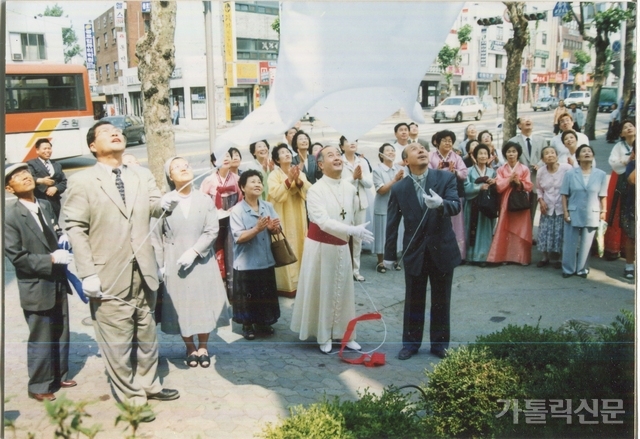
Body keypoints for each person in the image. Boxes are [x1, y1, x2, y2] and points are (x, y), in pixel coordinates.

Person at [64, 120, 180, 407]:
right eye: (105, 132)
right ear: (93, 146)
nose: (115, 133)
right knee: (116, 342)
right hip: (107, 275)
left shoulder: (141, 174)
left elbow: (154, 206)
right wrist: (87, 273)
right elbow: (76, 228)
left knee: (147, 333)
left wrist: (166, 204)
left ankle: (149, 384)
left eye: (117, 131)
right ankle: (131, 398)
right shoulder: (82, 181)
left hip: (145, 270)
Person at [290, 145, 373, 353]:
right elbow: (323, 222)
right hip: (321, 248)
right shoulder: (315, 190)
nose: (336, 157)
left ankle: (346, 334)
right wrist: (352, 230)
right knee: (325, 290)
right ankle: (324, 334)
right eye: (330, 155)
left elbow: (349, 215)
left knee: (344, 291)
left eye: (338, 154)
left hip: (342, 246)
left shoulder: (349, 188)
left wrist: (352, 230)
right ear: (320, 165)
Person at [383, 143, 461, 360]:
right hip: (414, 252)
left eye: (423, 148)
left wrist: (441, 204)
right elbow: (392, 223)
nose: (421, 151)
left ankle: (439, 345)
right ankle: (410, 344)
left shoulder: (445, 178)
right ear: (406, 161)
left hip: (442, 249)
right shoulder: (399, 188)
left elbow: (456, 205)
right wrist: (389, 255)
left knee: (441, 299)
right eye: (415, 149)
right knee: (413, 300)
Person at [5, 163, 75, 402]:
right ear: (9, 189)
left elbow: (53, 231)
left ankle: (59, 375)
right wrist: (51, 259)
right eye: (17, 177)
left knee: (61, 330)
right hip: (36, 283)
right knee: (41, 335)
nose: (25, 177)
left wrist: (63, 237)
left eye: (26, 173)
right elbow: (17, 257)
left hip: (57, 279)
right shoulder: (10, 216)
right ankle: (38, 385)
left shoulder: (44, 205)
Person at [151, 157, 231, 368]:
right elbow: (156, 236)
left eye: (186, 164)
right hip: (175, 260)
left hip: (202, 259)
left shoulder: (204, 200)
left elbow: (212, 230)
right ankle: (189, 347)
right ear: (170, 176)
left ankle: (203, 346)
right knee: (182, 305)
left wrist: (195, 251)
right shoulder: (165, 202)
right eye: (176, 166)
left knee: (203, 303)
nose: (183, 168)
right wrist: (160, 265)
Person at [230, 170, 281, 340]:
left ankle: (263, 322)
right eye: (252, 182)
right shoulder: (237, 210)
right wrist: (257, 229)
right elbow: (239, 237)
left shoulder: (268, 206)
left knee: (265, 293)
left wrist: (274, 228)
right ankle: (247, 325)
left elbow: (277, 229)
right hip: (247, 262)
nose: (257, 184)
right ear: (242, 187)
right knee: (248, 295)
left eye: (259, 181)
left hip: (265, 259)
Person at [267, 144, 311, 297]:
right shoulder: (274, 175)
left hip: (298, 216)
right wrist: (289, 180)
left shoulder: (299, 172)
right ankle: (286, 286)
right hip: (282, 215)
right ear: (276, 160)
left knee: (300, 245)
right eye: (282, 153)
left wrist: (298, 181)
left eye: (288, 152)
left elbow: (309, 191)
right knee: (285, 246)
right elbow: (276, 194)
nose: (286, 154)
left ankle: (301, 284)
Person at [201, 150, 244, 297]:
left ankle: (233, 290)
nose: (225, 159)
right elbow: (202, 202)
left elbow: (242, 199)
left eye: (227, 156)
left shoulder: (238, 179)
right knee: (216, 251)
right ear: (214, 162)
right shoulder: (208, 180)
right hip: (214, 221)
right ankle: (218, 290)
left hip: (233, 220)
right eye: (221, 156)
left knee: (232, 251)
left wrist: (234, 209)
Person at [561, 145, 607, 278]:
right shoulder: (570, 174)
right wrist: (565, 212)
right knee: (570, 242)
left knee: (587, 243)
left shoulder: (601, 174)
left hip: (592, 212)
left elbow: (603, 195)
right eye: (583, 151)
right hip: (573, 211)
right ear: (578, 157)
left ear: (593, 156)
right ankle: (568, 269)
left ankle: (582, 269)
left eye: (589, 151)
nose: (587, 153)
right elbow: (564, 194)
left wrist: (603, 211)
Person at [486, 141, 534, 266]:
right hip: (506, 201)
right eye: (508, 152)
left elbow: (529, 186)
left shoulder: (524, 169)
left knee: (521, 228)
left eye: (514, 151)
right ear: (505, 154)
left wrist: (519, 183)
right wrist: (509, 180)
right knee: (506, 227)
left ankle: (521, 258)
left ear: (518, 153)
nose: (511, 154)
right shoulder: (501, 169)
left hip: (520, 202)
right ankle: (506, 256)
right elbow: (498, 186)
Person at [429, 131, 468, 260]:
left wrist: (454, 171)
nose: (448, 143)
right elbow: (427, 172)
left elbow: (464, 173)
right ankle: (438, 254)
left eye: (450, 141)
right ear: (437, 142)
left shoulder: (456, 157)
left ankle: (458, 254)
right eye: (444, 140)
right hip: (437, 193)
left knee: (457, 223)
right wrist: (437, 171)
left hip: (453, 193)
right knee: (437, 223)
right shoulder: (430, 156)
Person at [340, 136, 374, 281]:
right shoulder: (339, 160)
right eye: (348, 141)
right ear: (342, 146)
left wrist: (360, 178)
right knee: (344, 235)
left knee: (358, 237)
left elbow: (369, 184)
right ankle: (343, 269)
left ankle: (356, 270)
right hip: (345, 204)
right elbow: (339, 183)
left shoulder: (362, 161)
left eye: (355, 141)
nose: (352, 143)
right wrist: (353, 177)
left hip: (361, 203)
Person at [535, 146, 572, 269]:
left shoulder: (566, 168)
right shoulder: (541, 171)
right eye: (546, 153)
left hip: (562, 206)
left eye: (552, 153)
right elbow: (539, 189)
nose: (550, 155)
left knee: (561, 232)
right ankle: (545, 257)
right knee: (545, 232)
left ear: (557, 156)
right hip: (547, 205)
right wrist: (541, 201)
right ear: (542, 159)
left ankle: (560, 259)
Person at [604, 120, 636, 260]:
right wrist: (627, 160)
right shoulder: (619, 146)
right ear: (621, 133)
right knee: (618, 210)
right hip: (620, 179)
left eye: (631, 126)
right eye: (625, 127)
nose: (628, 128)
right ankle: (615, 247)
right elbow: (613, 162)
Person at [463, 144, 497, 265]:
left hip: (487, 205)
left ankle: (484, 257)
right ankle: (471, 256)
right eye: (480, 153)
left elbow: (497, 188)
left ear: (489, 156)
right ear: (475, 156)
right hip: (473, 204)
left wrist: (493, 183)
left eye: (485, 154)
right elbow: (466, 187)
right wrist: (479, 187)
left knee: (485, 230)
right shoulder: (468, 171)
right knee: (471, 228)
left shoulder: (492, 172)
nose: (483, 156)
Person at [372, 143, 403, 272]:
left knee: (396, 233)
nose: (391, 152)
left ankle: (393, 259)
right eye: (388, 151)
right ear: (381, 155)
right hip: (382, 205)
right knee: (382, 234)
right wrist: (395, 180)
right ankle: (380, 261)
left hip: (396, 206)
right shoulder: (377, 170)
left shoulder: (399, 169)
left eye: (393, 150)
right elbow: (381, 190)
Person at [509, 117, 545, 223]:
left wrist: (539, 165)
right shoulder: (513, 141)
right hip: (520, 182)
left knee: (532, 213)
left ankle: (530, 232)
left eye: (529, 119)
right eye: (524, 119)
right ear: (519, 125)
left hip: (537, 180)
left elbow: (545, 156)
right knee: (520, 213)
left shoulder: (541, 140)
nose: (528, 121)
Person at [27, 138, 68, 219]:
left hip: (55, 201)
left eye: (49, 148)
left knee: (55, 223)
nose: (47, 151)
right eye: (45, 148)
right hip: (39, 200)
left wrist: (56, 188)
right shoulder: (31, 164)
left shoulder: (57, 165)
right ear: (37, 151)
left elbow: (63, 181)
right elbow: (28, 178)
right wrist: (41, 181)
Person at [620, 155, 635, 279]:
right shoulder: (632, 165)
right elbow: (632, 180)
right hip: (634, 206)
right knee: (632, 236)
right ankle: (629, 266)